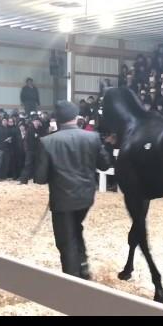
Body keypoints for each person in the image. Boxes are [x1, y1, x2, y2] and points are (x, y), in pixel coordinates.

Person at [34, 101, 111, 279]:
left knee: (66, 241)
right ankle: (83, 266)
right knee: (76, 228)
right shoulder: (92, 137)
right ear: (77, 117)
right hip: (85, 197)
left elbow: (40, 178)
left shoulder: (47, 141)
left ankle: (73, 281)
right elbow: (105, 165)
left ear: (57, 120)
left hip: (62, 199)